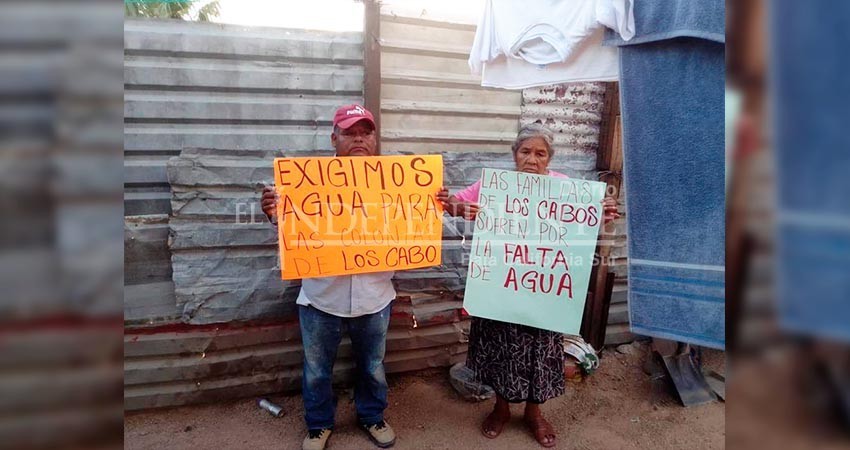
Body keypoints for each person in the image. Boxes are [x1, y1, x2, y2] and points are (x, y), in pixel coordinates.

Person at [437, 124, 619, 447]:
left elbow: (587, 221)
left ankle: (534, 413)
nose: (532, 160)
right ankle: (501, 409)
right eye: (525, 152)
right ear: (514, 155)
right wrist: (451, 203)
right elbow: (453, 204)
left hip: (543, 294)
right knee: (499, 350)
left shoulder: (564, 188)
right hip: (501, 290)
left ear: (549, 159)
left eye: (540, 153)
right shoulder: (495, 186)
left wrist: (603, 214)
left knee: (541, 353)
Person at [261, 105, 396, 450]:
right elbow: (295, 231)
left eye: (366, 132)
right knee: (317, 370)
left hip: (375, 294)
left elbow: (412, 227)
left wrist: (431, 204)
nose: (359, 139)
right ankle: (318, 425)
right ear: (333, 138)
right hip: (322, 296)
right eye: (350, 133)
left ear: (375, 138)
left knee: (373, 366)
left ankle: (372, 416)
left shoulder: (397, 183)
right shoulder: (307, 182)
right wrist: (276, 213)